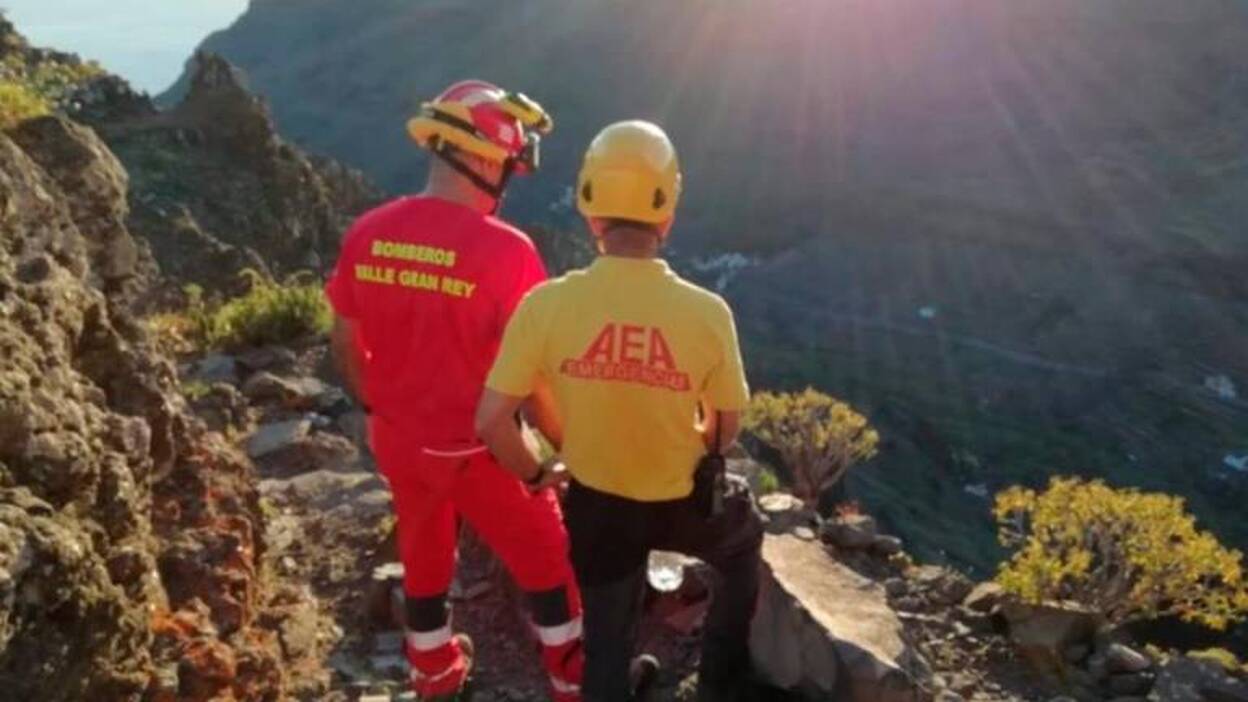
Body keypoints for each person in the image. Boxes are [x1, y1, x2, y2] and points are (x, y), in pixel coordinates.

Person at [476, 120, 764, 702]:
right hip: (683, 500)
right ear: (667, 216)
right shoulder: (707, 312)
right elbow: (726, 428)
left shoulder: (546, 305)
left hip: (596, 504)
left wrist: (538, 472)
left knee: (607, 639)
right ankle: (720, 681)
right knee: (742, 546)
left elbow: (491, 422)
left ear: (589, 212)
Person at [325, 80, 583, 701]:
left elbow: (344, 340)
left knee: (424, 551)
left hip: (398, 440)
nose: (508, 175)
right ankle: (572, 680)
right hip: (475, 449)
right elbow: (532, 377)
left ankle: (434, 674)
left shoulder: (369, 230)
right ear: (481, 157)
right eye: (505, 161)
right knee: (547, 558)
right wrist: (562, 449)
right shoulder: (509, 252)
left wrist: (377, 408)